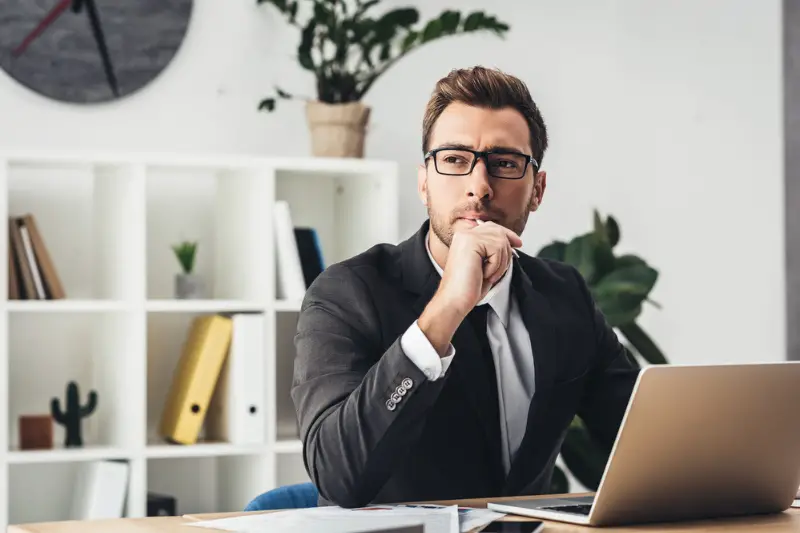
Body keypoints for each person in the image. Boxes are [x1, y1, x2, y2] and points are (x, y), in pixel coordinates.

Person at [291, 65, 640, 508]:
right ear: (424, 183)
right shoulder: (347, 293)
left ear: (538, 189)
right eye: (455, 160)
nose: (479, 187)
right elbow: (338, 475)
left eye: (505, 164)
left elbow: (641, 441)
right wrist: (447, 309)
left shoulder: (563, 293)